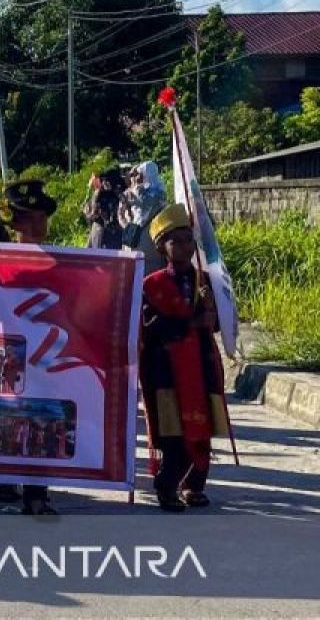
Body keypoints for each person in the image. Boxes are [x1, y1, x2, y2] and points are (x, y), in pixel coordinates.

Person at [140, 203, 228, 512]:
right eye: (175, 240)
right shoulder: (151, 286)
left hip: (201, 365)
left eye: (188, 239)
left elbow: (220, 323)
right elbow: (149, 328)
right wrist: (191, 323)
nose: (184, 246)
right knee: (174, 431)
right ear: (163, 247)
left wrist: (212, 313)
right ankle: (166, 487)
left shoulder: (206, 281)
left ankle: (194, 485)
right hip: (167, 369)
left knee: (203, 427)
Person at [0, 179, 60, 516]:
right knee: (10, 420)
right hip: (8, 356)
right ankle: (7, 478)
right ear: (14, 223)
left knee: (39, 421)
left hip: (45, 356)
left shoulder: (61, 261)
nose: (39, 224)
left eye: (42, 216)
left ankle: (37, 491)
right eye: (31, 217)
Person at [121, 161, 167, 274]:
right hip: (140, 237)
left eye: (139, 173)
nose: (136, 177)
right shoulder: (161, 190)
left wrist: (133, 185)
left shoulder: (150, 193)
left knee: (145, 271)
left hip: (146, 239)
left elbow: (142, 205)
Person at [83, 168, 124, 250]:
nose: (105, 183)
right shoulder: (99, 194)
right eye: (103, 180)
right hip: (99, 231)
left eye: (107, 180)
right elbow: (89, 214)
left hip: (113, 234)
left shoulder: (120, 195)